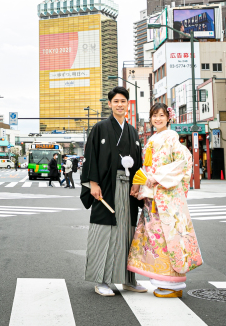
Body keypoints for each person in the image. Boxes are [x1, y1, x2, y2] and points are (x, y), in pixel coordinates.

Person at [127, 102, 203, 298]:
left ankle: (171, 283)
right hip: (153, 194)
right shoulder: (153, 138)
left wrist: (155, 178)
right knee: (155, 237)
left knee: (165, 237)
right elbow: (147, 167)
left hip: (164, 196)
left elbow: (182, 162)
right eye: (154, 115)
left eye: (161, 115)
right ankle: (164, 282)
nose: (158, 119)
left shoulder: (171, 137)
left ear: (169, 118)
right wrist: (139, 184)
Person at [80, 87, 144, 296]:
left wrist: (138, 183)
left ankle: (128, 279)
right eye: (115, 101)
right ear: (109, 104)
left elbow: (139, 163)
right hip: (107, 186)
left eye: (123, 101)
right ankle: (101, 280)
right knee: (104, 231)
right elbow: (91, 155)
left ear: (128, 104)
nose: (119, 104)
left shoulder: (133, 131)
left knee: (128, 232)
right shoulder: (99, 128)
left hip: (128, 189)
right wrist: (93, 183)